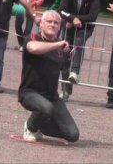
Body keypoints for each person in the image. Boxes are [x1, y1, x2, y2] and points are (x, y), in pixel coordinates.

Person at [18, 10, 79, 143]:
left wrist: (68, 55)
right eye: (49, 22)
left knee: (73, 135)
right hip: (30, 92)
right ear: (41, 24)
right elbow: (33, 49)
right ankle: (30, 127)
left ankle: (39, 125)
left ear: (59, 26)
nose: (52, 25)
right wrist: (57, 44)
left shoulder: (61, 48)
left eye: (56, 23)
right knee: (46, 108)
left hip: (51, 96)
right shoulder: (33, 37)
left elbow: (64, 69)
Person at [57, 0, 100, 101]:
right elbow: (61, 10)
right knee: (65, 56)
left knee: (79, 40)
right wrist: (72, 18)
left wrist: (77, 19)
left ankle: (75, 71)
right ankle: (66, 89)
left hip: (84, 27)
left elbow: (93, 15)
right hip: (68, 27)